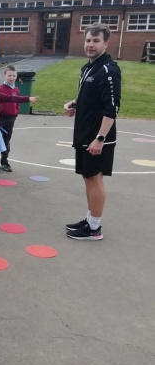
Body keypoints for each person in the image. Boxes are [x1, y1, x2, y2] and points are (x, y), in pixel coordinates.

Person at [64, 22, 121, 241]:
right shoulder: (89, 67)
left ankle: (94, 228)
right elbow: (91, 96)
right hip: (85, 133)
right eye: (88, 40)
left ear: (106, 43)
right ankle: (90, 220)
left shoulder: (108, 70)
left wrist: (100, 138)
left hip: (97, 137)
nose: (90, 44)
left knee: (95, 179)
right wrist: (75, 104)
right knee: (88, 178)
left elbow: (112, 108)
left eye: (96, 41)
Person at [0, 65, 37, 173]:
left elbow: (16, 102)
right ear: (4, 76)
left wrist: (15, 113)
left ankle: (4, 162)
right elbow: (6, 100)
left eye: (13, 75)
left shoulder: (16, 89)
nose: (11, 77)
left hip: (11, 118)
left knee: (6, 141)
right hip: (1, 118)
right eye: (9, 75)